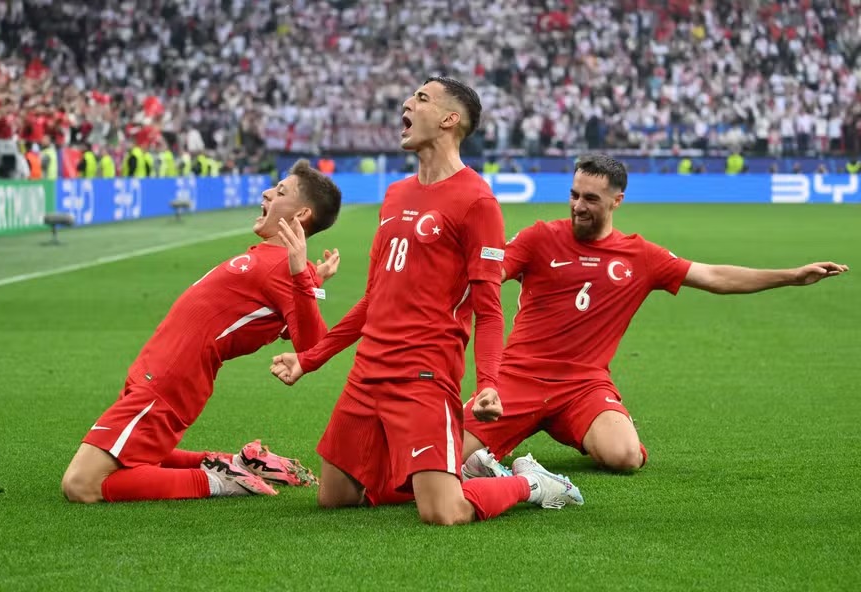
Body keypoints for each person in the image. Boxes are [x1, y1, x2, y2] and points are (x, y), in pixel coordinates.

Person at [270, 77, 583, 526]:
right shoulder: (396, 194)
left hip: (424, 372)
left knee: (443, 513)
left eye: (421, 98)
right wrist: (310, 359)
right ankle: (454, 469)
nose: (406, 103)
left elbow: (489, 307)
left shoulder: (477, 201)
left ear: (449, 119)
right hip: (368, 371)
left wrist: (489, 382)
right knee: (334, 498)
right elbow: (374, 299)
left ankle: (532, 483)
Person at [460, 153, 849, 476]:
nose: (578, 206)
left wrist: (791, 276)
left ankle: (606, 425)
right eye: (575, 195)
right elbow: (486, 276)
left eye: (591, 199)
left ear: (617, 201)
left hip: (583, 386)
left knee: (624, 457)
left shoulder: (640, 256)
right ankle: (507, 439)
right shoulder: (538, 237)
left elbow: (712, 275)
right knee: (448, 456)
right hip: (517, 378)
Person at [61, 159, 344, 503]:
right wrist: (313, 281)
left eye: (281, 191)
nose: (267, 191)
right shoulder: (276, 265)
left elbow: (313, 346)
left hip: (169, 380)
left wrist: (305, 278)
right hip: (155, 371)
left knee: (81, 484)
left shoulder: (285, 269)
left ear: (300, 215)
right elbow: (283, 317)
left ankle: (220, 481)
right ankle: (231, 464)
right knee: (133, 456)